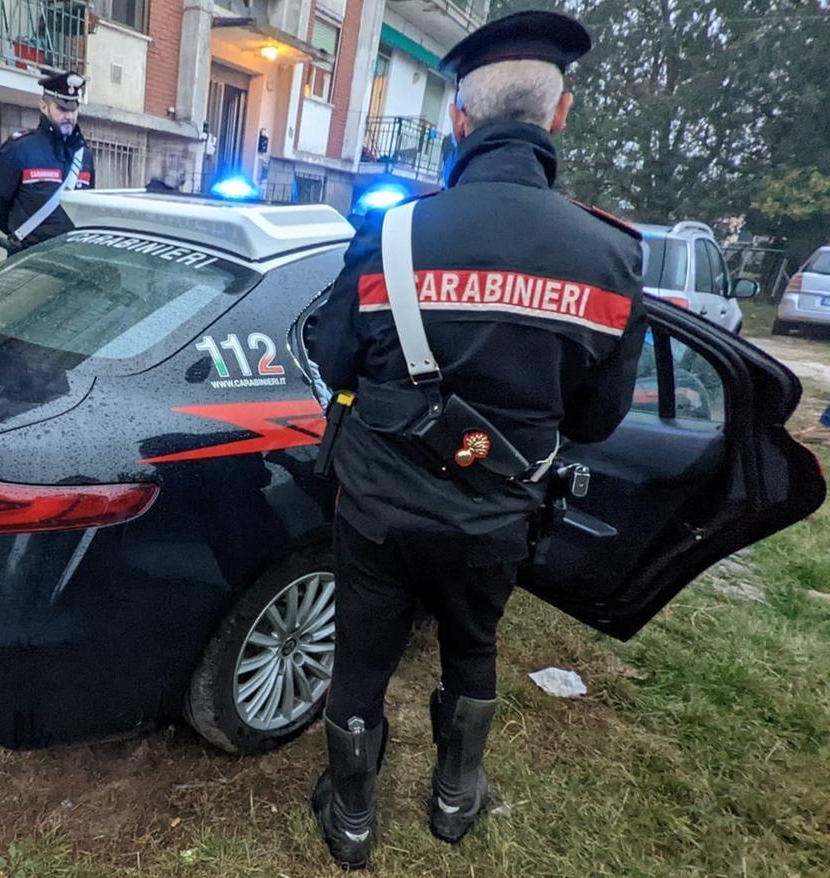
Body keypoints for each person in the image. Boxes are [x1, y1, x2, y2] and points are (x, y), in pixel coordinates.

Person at [306, 10, 647, 869]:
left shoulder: (390, 235)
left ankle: (350, 817)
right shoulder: (610, 255)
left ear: (458, 121)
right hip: (496, 515)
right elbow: (598, 420)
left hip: (378, 508)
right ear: (556, 117)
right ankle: (455, 798)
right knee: (473, 647)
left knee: (362, 656)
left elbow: (330, 352)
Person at [0, 72, 95, 255]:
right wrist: (22, 233)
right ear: (43, 106)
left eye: (73, 110)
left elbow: (87, 207)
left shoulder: (84, 156)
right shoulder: (20, 149)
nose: (69, 116)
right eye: (62, 109)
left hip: (72, 259)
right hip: (30, 260)